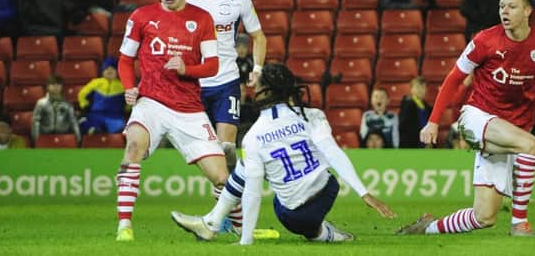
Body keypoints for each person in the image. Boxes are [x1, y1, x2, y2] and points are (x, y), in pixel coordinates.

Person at [170, 63, 396, 245]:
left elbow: (253, 192)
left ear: (266, 91)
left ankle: (212, 222)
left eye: (257, 82)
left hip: (291, 215)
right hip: (326, 192)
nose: (252, 86)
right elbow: (333, 152)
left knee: (248, 168)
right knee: (317, 178)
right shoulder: (312, 116)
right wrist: (363, 192)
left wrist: (246, 241)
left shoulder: (253, 136)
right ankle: (327, 233)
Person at [397, 0, 535, 237]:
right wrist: (433, 121)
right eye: (502, 6)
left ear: (527, 10)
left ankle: (428, 228)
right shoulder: (485, 40)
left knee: (484, 217)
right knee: (530, 145)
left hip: (509, 131)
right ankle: (519, 224)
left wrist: (525, 124)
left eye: (512, 6)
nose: (505, 11)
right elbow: (453, 79)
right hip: (476, 118)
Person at [115, 0, 227, 242]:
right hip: (151, 101)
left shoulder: (202, 19)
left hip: (189, 108)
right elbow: (126, 60)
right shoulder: (141, 16)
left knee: (222, 178)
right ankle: (124, 225)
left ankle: (235, 225)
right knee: (133, 145)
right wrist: (130, 88)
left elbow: (213, 65)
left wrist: (186, 69)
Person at [185, 0, 266, 231]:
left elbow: (259, 36)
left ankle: (224, 217)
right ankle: (230, 214)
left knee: (227, 148)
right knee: (210, 156)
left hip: (226, 83)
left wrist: (256, 69)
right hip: (192, 85)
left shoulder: (239, 1)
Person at [78, 57, 127, 134]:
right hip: (96, 114)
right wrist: (84, 105)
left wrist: (127, 109)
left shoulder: (123, 86)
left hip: (115, 116)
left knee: (120, 126)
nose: (109, 71)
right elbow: (82, 94)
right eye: (107, 68)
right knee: (83, 121)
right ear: (103, 71)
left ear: (117, 71)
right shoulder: (95, 83)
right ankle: (95, 131)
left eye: (112, 69)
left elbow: (129, 101)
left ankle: (112, 134)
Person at [32, 75, 81, 146]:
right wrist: (36, 140)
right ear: (47, 87)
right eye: (53, 84)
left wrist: (77, 138)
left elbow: (73, 121)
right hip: (45, 137)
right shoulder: (41, 103)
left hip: (63, 137)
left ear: (62, 87)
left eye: (58, 85)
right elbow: (35, 122)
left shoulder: (67, 104)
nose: (56, 87)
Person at [398, 76, 432, 148]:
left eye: (422, 87)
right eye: (417, 87)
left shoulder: (427, 107)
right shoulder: (407, 104)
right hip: (411, 144)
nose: (420, 90)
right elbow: (404, 127)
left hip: (424, 141)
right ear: (411, 89)